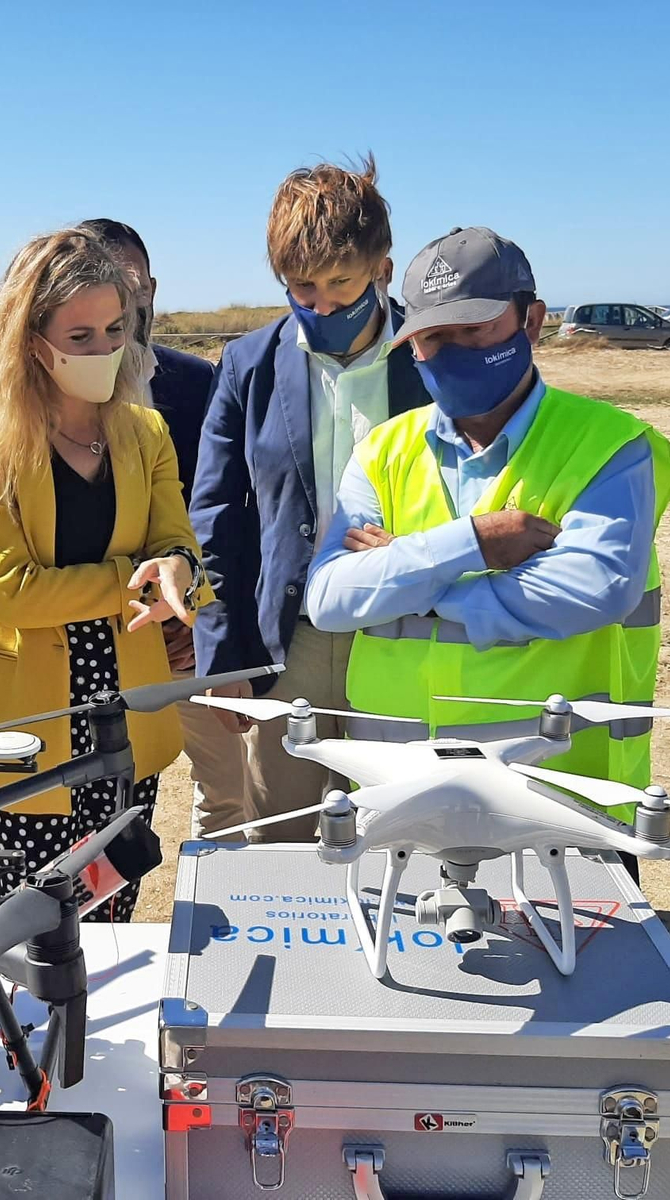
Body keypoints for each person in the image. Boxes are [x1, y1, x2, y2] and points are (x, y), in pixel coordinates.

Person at [304, 227, 670, 833]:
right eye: (430, 337)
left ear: (531, 321)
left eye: (471, 332)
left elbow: (593, 588)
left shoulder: (610, 446)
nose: (447, 352)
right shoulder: (383, 449)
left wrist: (409, 573)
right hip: (398, 784)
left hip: (558, 791)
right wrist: (474, 542)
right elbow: (330, 599)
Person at [0, 229, 211, 921]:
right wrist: (138, 576)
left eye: (116, 329)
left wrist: (180, 571)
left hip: (126, 717)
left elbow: (181, 549)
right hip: (30, 726)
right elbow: (12, 592)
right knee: (30, 918)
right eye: (80, 335)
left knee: (114, 899)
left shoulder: (144, 431)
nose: (104, 351)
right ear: (32, 340)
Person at [190, 156, 432, 841]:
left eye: (340, 282)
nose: (322, 304)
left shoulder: (436, 359)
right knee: (286, 837)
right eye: (301, 286)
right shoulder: (247, 363)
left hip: (403, 641)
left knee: (403, 832)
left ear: (382, 267)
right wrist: (223, 655)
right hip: (284, 647)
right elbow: (213, 516)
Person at [75, 218, 245, 837]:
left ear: (151, 288)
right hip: (92, 641)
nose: (121, 298)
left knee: (228, 794)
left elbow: (225, 509)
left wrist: (199, 616)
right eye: (100, 281)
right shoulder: (45, 403)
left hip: (190, 635)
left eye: (130, 282)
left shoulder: (201, 385)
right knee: (103, 804)